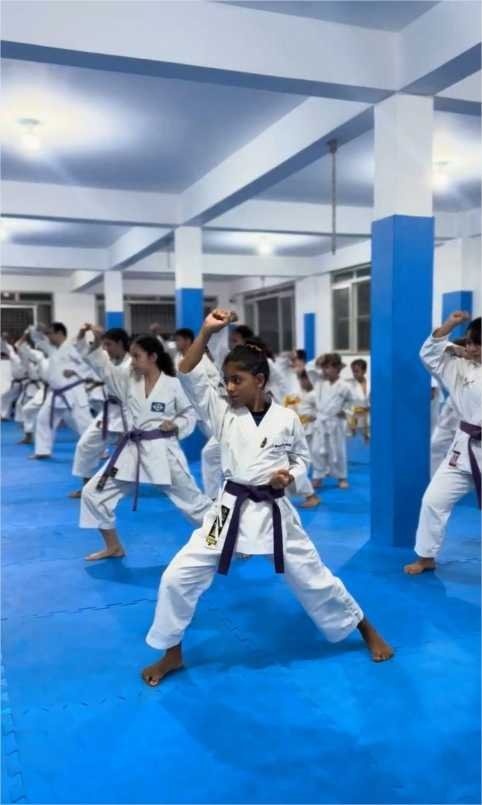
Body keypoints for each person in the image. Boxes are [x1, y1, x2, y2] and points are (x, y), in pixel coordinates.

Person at [141, 309, 394, 686]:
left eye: (237, 380)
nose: (229, 388)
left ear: (259, 381)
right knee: (178, 576)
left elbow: (302, 459)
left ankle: (365, 629)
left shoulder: (286, 419)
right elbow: (187, 370)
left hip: (274, 511)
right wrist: (206, 332)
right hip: (227, 511)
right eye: (226, 380)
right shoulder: (221, 412)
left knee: (314, 578)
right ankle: (171, 653)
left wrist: (288, 476)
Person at [78, 327, 212, 561]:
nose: (132, 361)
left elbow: (189, 413)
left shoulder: (174, 384)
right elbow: (104, 369)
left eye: (136, 356)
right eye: (131, 356)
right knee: (93, 493)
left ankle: (231, 540)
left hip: (163, 452)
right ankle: (114, 547)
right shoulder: (128, 380)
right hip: (131, 451)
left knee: (195, 504)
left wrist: (176, 425)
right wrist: (97, 343)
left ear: (152, 357)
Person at [404, 312, 481, 575]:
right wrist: (449, 326)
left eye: (478, 344)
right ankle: (426, 556)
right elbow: (429, 353)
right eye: (470, 342)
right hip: (465, 449)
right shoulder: (460, 367)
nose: (472, 348)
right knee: (433, 500)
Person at [68, 327, 131, 498]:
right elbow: (90, 355)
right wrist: (89, 336)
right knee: (85, 445)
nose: (106, 349)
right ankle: (87, 486)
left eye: (109, 345)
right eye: (104, 345)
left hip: (130, 414)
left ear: (120, 343)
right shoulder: (109, 360)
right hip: (110, 412)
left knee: (142, 455)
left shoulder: (133, 363)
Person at [29, 322, 93, 459]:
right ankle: (42, 451)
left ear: (59, 333)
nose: (48, 336)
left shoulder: (71, 346)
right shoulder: (52, 349)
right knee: (43, 419)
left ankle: (99, 451)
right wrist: (38, 329)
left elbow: (85, 357)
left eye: (50, 333)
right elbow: (36, 338)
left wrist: (76, 371)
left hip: (73, 391)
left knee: (84, 423)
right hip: (56, 393)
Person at [308, 353, 353, 490]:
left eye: (328, 367)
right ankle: (317, 476)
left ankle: (342, 477)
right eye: (324, 367)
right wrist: (320, 359)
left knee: (338, 450)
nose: (325, 370)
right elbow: (309, 368)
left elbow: (351, 402)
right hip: (321, 422)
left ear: (337, 368)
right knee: (316, 450)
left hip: (335, 422)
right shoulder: (319, 382)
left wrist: (345, 411)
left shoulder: (345, 386)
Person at [346, 359, 370, 443]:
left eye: (357, 371)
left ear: (364, 371)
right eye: (353, 371)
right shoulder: (348, 384)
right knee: (355, 444)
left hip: (368, 420)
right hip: (353, 420)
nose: (354, 374)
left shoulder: (372, 384)